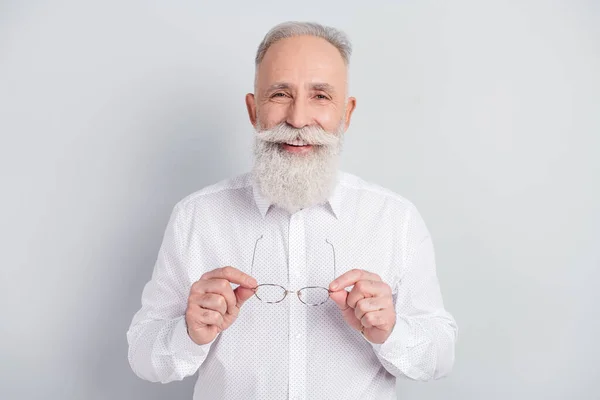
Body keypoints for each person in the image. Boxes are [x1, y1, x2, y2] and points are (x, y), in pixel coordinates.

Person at [126, 21, 458, 400]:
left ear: (346, 114)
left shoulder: (394, 219)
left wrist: (391, 331)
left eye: (320, 96)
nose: (298, 120)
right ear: (254, 110)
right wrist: (189, 332)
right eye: (280, 94)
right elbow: (142, 355)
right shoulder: (197, 217)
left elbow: (440, 356)